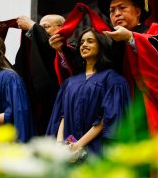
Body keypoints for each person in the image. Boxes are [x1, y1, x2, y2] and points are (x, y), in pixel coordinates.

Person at [97, 0, 158, 135]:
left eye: (122, 8)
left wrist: (131, 38)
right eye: (112, 10)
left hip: (147, 109)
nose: (117, 14)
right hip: (116, 114)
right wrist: (63, 50)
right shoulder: (108, 41)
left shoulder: (157, 30)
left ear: (138, 11)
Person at [47, 27, 131, 156]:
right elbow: (62, 115)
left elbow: (108, 118)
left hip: (95, 150)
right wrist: (60, 144)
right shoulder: (70, 82)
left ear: (101, 46)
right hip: (68, 151)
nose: (84, 45)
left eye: (90, 41)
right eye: (82, 42)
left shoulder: (113, 80)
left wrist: (78, 145)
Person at [0, 14, 65, 136]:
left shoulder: (69, 49)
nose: (41, 30)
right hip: (32, 110)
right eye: (40, 27)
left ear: (61, 28)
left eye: (45, 27)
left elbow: (50, 52)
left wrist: (33, 27)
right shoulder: (31, 55)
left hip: (57, 107)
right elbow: (16, 74)